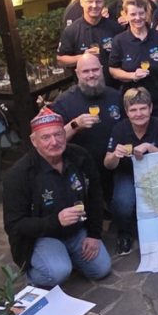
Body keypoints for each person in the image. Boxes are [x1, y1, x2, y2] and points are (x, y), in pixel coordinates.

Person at [3, 107, 111, 288]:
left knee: (101, 269)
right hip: (43, 236)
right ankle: (40, 269)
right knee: (58, 273)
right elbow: (14, 225)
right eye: (46, 137)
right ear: (34, 141)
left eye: (58, 134)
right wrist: (56, 221)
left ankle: (65, 255)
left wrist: (94, 234)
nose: (54, 142)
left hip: (77, 231)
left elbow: (95, 195)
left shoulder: (80, 156)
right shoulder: (19, 175)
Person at [103, 87, 158, 255]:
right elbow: (108, 164)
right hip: (128, 173)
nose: (138, 114)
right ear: (126, 112)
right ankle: (124, 233)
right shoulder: (119, 129)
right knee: (122, 202)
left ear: (151, 108)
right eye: (133, 110)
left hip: (156, 174)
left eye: (143, 108)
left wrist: (150, 147)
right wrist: (115, 155)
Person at [52, 53, 124, 203]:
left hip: (115, 167)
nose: (91, 75)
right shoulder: (64, 102)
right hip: (81, 171)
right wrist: (75, 125)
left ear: (102, 69)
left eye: (95, 70)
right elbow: (54, 141)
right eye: (85, 71)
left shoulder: (116, 96)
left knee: (121, 205)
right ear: (77, 73)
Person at [108, 0, 158, 121]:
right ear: (125, 15)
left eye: (141, 13)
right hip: (134, 105)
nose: (138, 18)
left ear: (147, 13)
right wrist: (132, 76)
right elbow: (113, 70)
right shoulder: (119, 41)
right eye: (133, 14)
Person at [57, 0, 123, 85]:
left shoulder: (115, 28)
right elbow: (60, 60)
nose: (94, 5)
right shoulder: (71, 31)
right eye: (89, 1)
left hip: (114, 88)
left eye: (98, 1)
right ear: (81, 2)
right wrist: (83, 57)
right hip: (85, 90)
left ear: (103, 3)